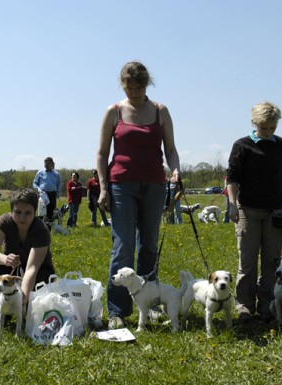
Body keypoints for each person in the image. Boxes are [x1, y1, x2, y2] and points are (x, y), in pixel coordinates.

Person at [97, 61, 180, 329]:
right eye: (129, 87)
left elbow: (171, 149)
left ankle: (150, 304)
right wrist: (102, 187)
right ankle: (118, 311)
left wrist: (175, 170)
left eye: (139, 87)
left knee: (149, 246)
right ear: (123, 85)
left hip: (154, 185)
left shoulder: (160, 111)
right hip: (121, 185)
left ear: (147, 84)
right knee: (123, 247)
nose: (134, 92)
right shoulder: (114, 112)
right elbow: (101, 154)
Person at [226, 101, 282, 323]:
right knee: (248, 262)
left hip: (275, 212)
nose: (269, 132)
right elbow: (232, 177)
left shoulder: (280, 145)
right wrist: (232, 204)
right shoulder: (242, 145)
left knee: (272, 263)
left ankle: (267, 306)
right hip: (247, 211)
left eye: (273, 127)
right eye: (265, 127)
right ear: (255, 123)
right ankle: (244, 306)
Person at [0, 188, 56, 323]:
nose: (22, 218)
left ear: (35, 212)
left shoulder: (41, 231)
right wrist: (4, 259)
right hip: (11, 270)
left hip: (39, 272)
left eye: (28, 213)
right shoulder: (5, 222)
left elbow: (32, 268)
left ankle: (27, 310)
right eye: (17, 212)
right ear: (11, 211)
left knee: (33, 311)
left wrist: (23, 296)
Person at [33, 157, 61, 221]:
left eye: (48, 163)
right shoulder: (40, 172)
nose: (46, 165)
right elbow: (35, 183)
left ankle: (49, 228)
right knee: (41, 212)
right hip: (43, 194)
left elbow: (59, 185)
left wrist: (57, 194)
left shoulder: (56, 174)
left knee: (51, 213)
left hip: (52, 195)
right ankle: (41, 228)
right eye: (45, 163)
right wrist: (38, 189)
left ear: (52, 164)